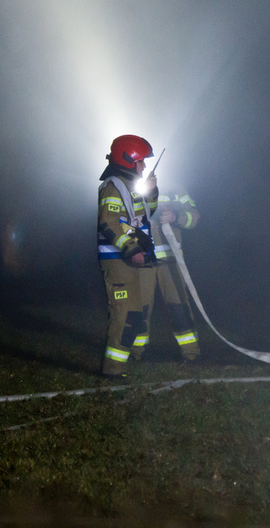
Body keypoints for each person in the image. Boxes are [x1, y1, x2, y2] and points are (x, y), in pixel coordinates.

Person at [96, 134, 159, 378]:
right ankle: (112, 370)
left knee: (133, 313)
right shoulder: (113, 186)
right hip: (118, 260)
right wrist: (131, 249)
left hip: (131, 259)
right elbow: (109, 222)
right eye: (141, 161)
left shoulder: (131, 186)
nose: (144, 166)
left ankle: (120, 366)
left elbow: (145, 214)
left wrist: (152, 193)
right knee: (124, 313)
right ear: (128, 159)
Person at [131, 186, 202, 362]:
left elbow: (194, 217)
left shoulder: (175, 189)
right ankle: (135, 352)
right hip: (142, 259)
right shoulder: (134, 186)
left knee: (178, 306)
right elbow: (122, 218)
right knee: (139, 307)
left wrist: (175, 217)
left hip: (170, 260)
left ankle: (191, 353)